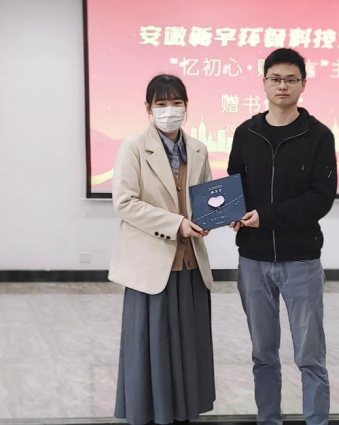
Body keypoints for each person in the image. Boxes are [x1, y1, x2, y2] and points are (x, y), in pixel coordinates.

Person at [227, 48, 338, 425]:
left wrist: (266, 217)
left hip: (301, 260)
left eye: (291, 79)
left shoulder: (319, 135)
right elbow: (235, 186)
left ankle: (316, 420)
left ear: (303, 84)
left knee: (310, 356)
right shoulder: (246, 133)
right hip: (253, 260)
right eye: (275, 79)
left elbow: (321, 198)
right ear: (264, 82)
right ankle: (268, 419)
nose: (283, 86)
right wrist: (231, 214)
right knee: (263, 354)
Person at [109, 74, 215, 425]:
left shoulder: (198, 149)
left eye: (176, 103)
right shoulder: (133, 147)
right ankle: (148, 413)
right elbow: (125, 203)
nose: (170, 110)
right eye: (162, 103)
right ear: (148, 108)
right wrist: (176, 224)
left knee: (188, 345)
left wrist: (209, 219)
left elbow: (204, 198)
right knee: (150, 346)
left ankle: (183, 412)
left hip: (191, 265)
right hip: (151, 268)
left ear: (187, 107)